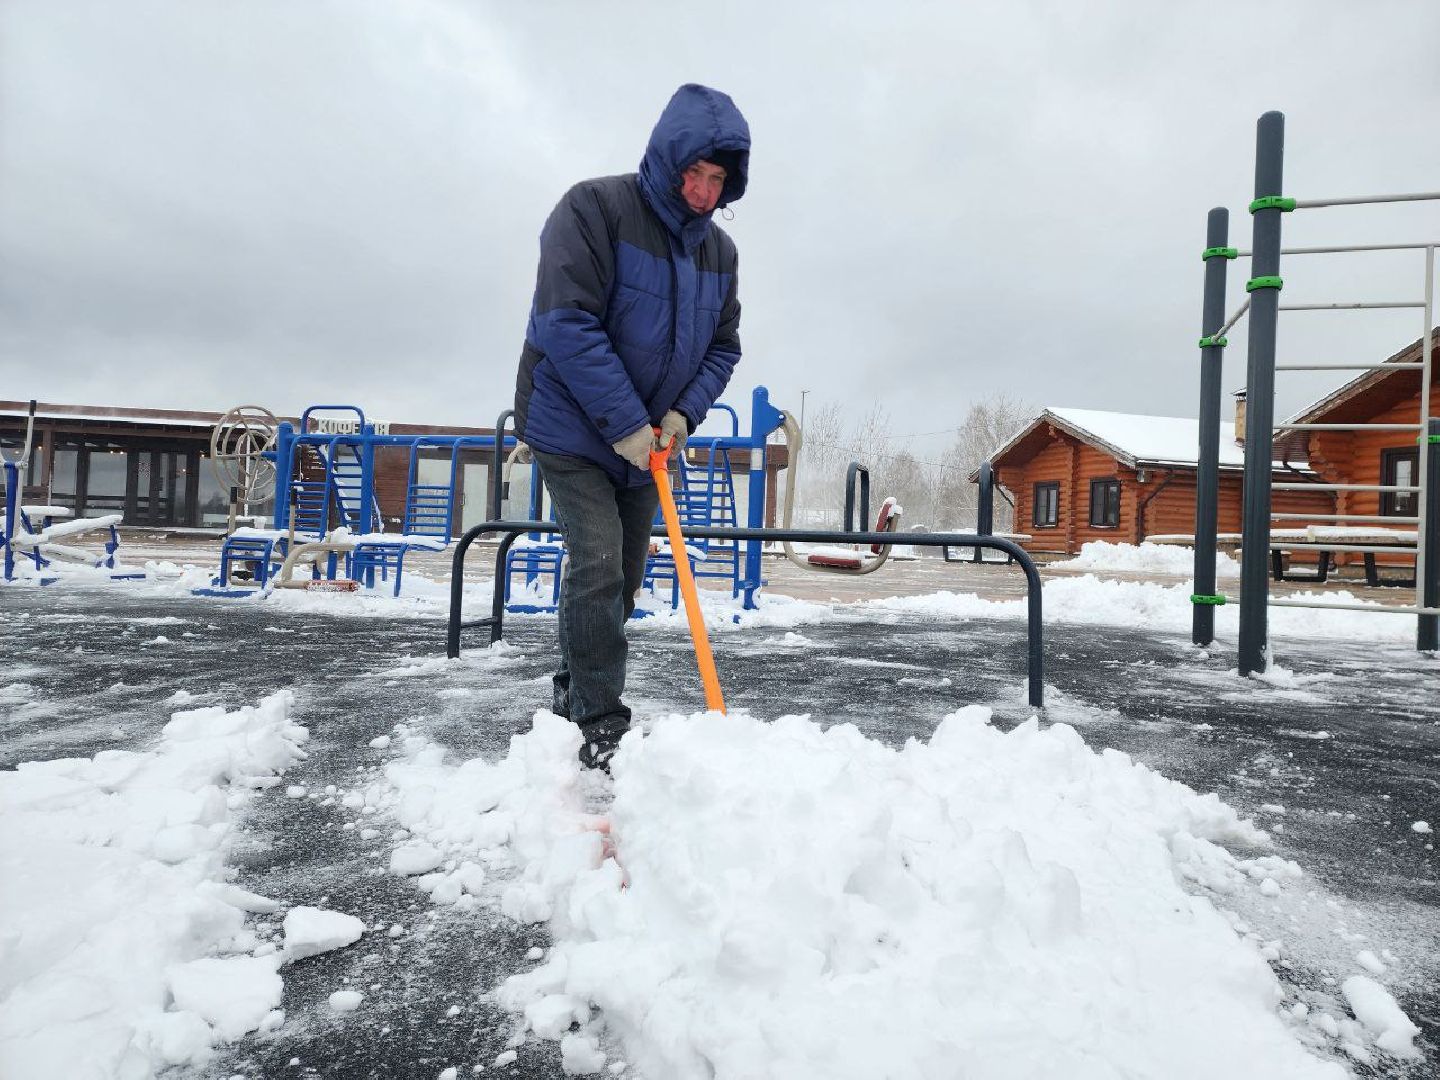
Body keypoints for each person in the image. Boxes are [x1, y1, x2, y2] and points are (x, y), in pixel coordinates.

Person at [512, 83, 750, 769]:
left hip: (649, 442)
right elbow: (566, 321)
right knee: (595, 563)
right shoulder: (593, 209)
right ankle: (600, 720)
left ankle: (569, 698)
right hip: (571, 426)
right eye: (695, 173)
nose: (705, 190)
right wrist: (624, 423)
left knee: (625, 569)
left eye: (718, 179)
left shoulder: (719, 256)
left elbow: (723, 347)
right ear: (668, 161)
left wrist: (681, 416)